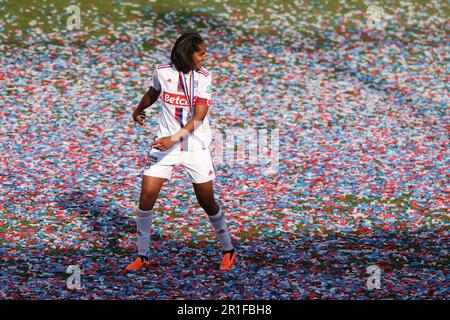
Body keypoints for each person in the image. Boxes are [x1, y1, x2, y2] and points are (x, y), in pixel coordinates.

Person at [123, 33, 236, 273]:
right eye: (201, 53)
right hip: (165, 146)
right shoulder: (162, 71)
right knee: (146, 197)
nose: (205, 57)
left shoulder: (204, 78)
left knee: (206, 200)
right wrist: (139, 109)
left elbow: (198, 117)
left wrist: (173, 139)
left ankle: (228, 250)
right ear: (187, 53)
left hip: (193, 146)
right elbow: (153, 92)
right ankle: (142, 255)